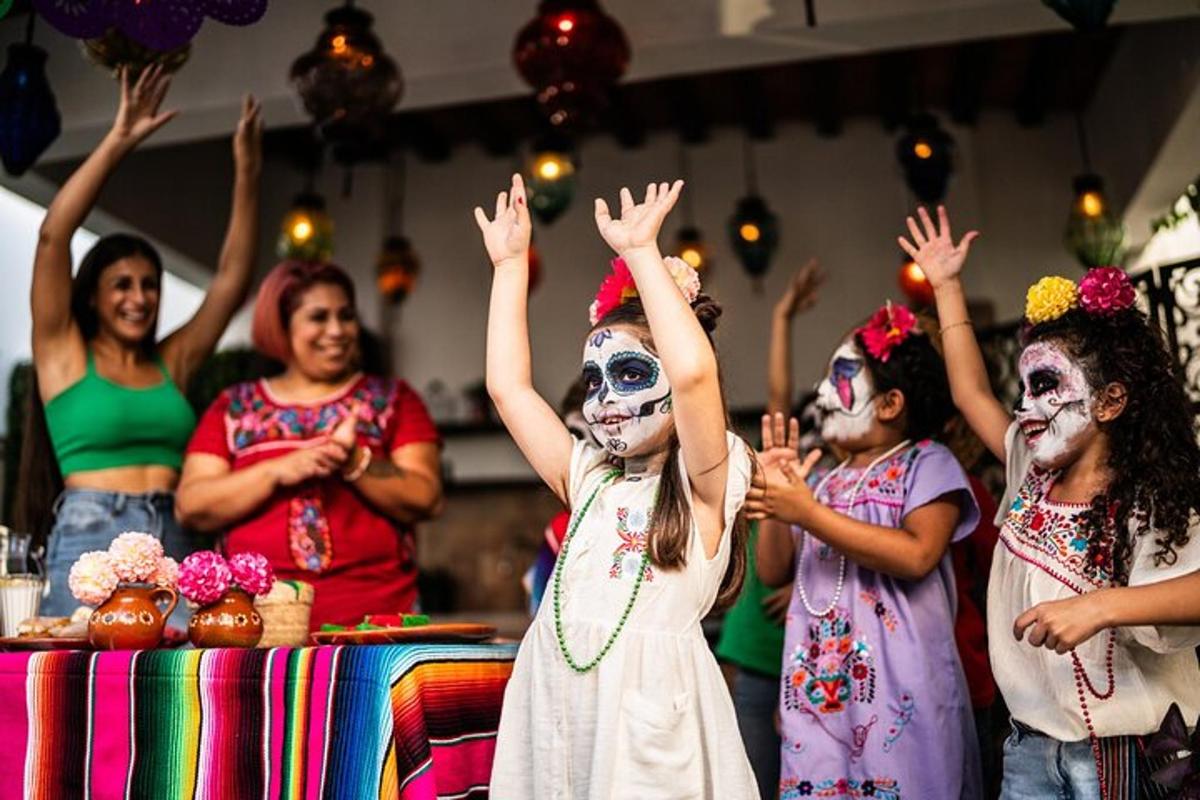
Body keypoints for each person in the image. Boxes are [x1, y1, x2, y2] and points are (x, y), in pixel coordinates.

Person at [901, 206, 1200, 799]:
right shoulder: (1026, 468)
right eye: (1025, 388)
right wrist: (946, 286)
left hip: (1130, 755)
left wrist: (1102, 606)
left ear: (1111, 400)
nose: (1026, 408)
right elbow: (969, 390)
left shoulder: (1150, 497)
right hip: (1030, 751)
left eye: (1046, 387)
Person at [478, 175, 758, 797]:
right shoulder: (589, 479)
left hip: (649, 726)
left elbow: (690, 376)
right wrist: (508, 266)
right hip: (559, 706)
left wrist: (640, 254)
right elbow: (509, 389)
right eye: (593, 381)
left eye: (629, 373)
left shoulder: (707, 477)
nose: (604, 402)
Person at [26, 65, 262, 616]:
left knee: (179, 685)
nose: (139, 297)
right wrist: (118, 140)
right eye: (122, 285)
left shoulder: (171, 363)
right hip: (91, 537)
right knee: (85, 688)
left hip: (177, 539)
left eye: (150, 285)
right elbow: (52, 236)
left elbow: (230, 281)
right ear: (91, 297)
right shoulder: (62, 354)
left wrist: (248, 173)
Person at [748, 301, 982, 799]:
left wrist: (808, 513)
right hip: (818, 694)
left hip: (902, 697)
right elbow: (773, 571)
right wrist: (775, 499)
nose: (822, 392)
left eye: (841, 376)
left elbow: (917, 554)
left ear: (891, 404)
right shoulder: (822, 481)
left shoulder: (928, 465)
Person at [176, 261, 443, 628]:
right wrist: (277, 470)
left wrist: (356, 463)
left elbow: (427, 497)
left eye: (346, 316)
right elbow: (191, 505)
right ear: (281, 327)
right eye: (318, 317)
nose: (336, 330)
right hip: (256, 626)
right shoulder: (234, 406)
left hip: (378, 625)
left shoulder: (392, 399)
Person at [716, 259, 823, 800]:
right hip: (758, 648)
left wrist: (801, 592)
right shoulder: (770, 465)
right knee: (754, 782)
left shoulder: (843, 484)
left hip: (818, 655)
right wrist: (781, 315)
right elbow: (779, 396)